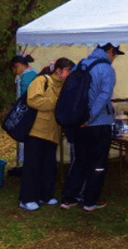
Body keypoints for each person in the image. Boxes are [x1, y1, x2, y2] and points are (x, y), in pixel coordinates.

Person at [60, 42, 124, 212]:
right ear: (109, 51)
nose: (114, 57)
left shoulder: (81, 63)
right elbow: (104, 96)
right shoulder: (107, 69)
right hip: (98, 123)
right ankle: (90, 201)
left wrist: (80, 118)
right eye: (115, 54)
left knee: (79, 160)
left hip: (78, 121)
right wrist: (90, 117)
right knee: (98, 162)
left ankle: (69, 198)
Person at [19, 57, 75, 211]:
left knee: (49, 166)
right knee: (32, 166)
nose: (70, 74)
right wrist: (58, 103)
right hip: (36, 131)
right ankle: (27, 198)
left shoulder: (63, 86)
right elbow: (33, 100)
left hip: (53, 132)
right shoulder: (42, 80)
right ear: (59, 70)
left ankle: (46, 195)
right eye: (68, 70)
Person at [9, 54, 38, 176]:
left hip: (27, 114)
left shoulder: (24, 78)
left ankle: (26, 168)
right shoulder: (36, 73)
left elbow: (22, 99)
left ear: (18, 65)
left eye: (14, 69)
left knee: (25, 141)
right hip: (38, 113)